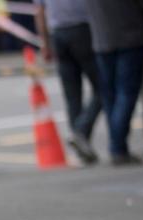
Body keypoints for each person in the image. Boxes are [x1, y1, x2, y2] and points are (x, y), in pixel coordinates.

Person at [83, 0, 143, 165]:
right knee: (126, 93)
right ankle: (118, 147)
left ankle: (117, 146)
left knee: (110, 97)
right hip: (129, 37)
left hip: (102, 40)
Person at [36, 0, 102, 164]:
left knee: (72, 95)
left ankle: (80, 143)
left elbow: (40, 12)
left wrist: (45, 43)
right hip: (82, 30)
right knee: (103, 88)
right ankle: (81, 132)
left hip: (58, 33)